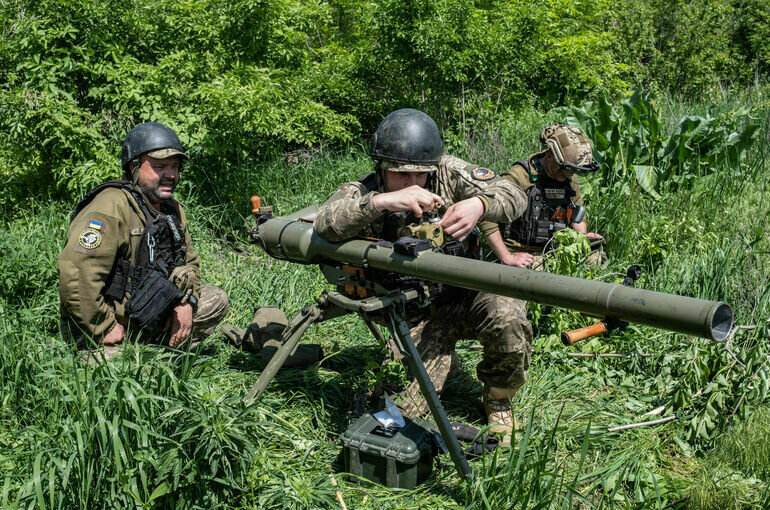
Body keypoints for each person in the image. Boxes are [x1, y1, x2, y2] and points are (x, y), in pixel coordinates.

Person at [313, 108, 531, 444]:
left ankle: (498, 397)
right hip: (413, 315)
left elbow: (514, 195)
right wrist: (383, 202)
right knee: (399, 417)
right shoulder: (367, 190)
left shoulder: (448, 172)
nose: (413, 184)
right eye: (401, 176)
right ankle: (442, 358)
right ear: (381, 169)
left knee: (509, 315)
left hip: (465, 295)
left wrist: (479, 206)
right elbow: (326, 222)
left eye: (420, 175)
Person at [58, 121, 228, 359]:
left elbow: (190, 263)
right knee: (137, 380)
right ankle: (141, 357)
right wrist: (104, 326)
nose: (171, 175)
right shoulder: (110, 206)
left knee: (215, 300)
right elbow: (77, 274)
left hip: (149, 314)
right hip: (106, 327)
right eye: (160, 166)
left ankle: (158, 352)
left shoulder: (172, 210)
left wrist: (186, 303)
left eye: (175, 167)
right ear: (133, 166)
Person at [478, 124, 605, 270]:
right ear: (550, 155)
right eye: (563, 170)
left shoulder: (569, 177)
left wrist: (582, 237)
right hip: (521, 254)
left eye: (571, 172)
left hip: (555, 250)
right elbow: (485, 216)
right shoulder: (519, 177)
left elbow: (577, 212)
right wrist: (507, 257)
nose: (565, 176)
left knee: (595, 257)